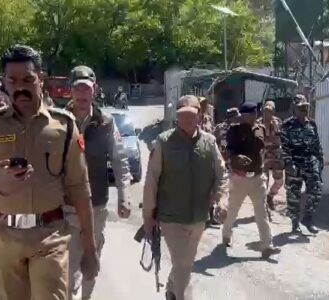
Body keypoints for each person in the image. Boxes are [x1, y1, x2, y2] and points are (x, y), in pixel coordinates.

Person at [0, 45, 99, 300]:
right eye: (12, 80)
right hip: (3, 237)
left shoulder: (63, 125)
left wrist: (90, 247)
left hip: (50, 235)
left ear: (40, 79)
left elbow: (80, 188)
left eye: (27, 79)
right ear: (4, 82)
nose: (20, 87)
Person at [143, 95, 228, 300]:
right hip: (171, 217)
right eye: (183, 115)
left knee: (185, 263)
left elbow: (221, 174)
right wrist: (148, 218)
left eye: (192, 115)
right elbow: (151, 182)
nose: (188, 119)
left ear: (199, 115)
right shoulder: (163, 142)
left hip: (199, 217)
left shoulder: (209, 142)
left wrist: (221, 199)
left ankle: (172, 290)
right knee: (182, 265)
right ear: (176, 118)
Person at [65, 65, 132, 300]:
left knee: (91, 260)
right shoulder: (59, 120)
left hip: (97, 206)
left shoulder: (106, 122)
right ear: (70, 92)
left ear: (95, 91)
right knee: (66, 267)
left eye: (87, 88)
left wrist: (124, 197)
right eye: (78, 89)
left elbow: (119, 159)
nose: (83, 94)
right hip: (66, 207)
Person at [221, 102, 280, 257]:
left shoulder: (259, 128)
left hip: (257, 178)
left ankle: (267, 245)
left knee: (261, 213)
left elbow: (259, 146)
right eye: (253, 113)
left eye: (256, 113)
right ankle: (226, 235)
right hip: (239, 178)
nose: (257, 115)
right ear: (246, 114)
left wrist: (247, 127)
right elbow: (226, 152)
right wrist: (236, 157)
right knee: (233, 210)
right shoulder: (233, 130)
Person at [281, 96, 324, 234]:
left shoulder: (312, 124)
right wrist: (288, 163)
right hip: (294, 163)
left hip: (310, 162)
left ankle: (308, 218)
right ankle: (295, 223)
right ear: (295, 108)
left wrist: (320, 160)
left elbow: (317, 144)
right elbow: (284, 146)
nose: (304, 109)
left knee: (317, 189)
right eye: (301, 107)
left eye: (305, 107)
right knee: (293, 194)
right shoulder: (287, 125)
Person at [258, 100, 284, 211]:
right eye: (265, 111)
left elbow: (282, 137)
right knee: (263, 183)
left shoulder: (278, 122)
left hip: (276, 156)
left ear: (273, 112)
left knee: (279, 181)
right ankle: (263, 207)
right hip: (264, 157)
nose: (267, 113)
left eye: (270, 111)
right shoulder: (258, 123)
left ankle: (271, 196)